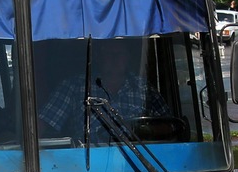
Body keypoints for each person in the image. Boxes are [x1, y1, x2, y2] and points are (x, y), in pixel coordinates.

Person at [39, 39, 169, 141]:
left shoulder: (144, 88)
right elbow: (43, 123)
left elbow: (169, 127)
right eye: (108, 53)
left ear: (128, 57)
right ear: (98, 57)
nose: (114, 59)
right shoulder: (74, 86)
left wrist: (140, 129)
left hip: (138, 162)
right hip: (88, 165)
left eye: (120, 54)